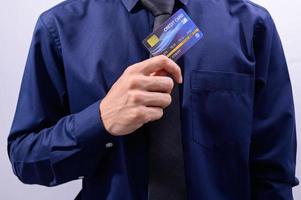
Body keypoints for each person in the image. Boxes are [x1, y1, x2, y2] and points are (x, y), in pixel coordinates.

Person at [8, 0, 298, 199]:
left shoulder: (251, 25)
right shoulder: (59, 27)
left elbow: (273, 173)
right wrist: (99, 121)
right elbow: (26, 158)